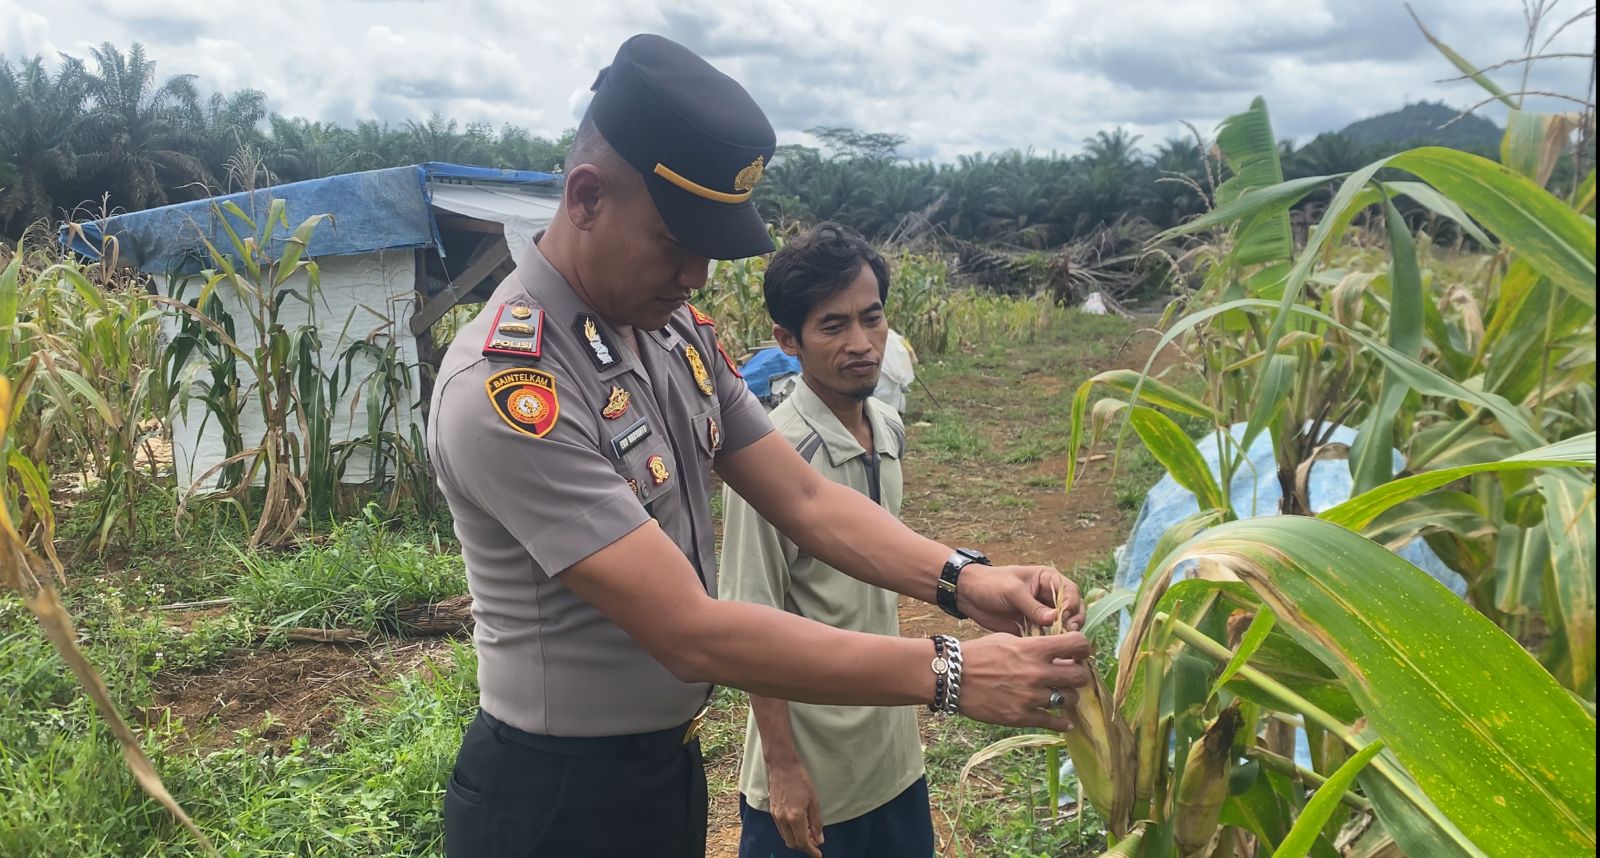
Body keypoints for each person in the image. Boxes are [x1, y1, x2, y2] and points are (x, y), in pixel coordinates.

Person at [426, 33, 1090, 858]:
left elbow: (806, 499)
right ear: (587, 197)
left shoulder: (670, 334)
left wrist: (964, 578)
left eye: (711, 248)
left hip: (666, 768)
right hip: (554, 799)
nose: (697, 276)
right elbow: (691, 631)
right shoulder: (509, 388)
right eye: (676, 244)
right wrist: (952, 672)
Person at [721, 223, 934, 858]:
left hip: (894, 760)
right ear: (787, 340)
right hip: (812, 780)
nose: (862, 344)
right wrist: (783, 768)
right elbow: (750, 621)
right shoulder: (771, 461)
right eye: (833, 326)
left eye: (872, 318)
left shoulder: (887, 427)